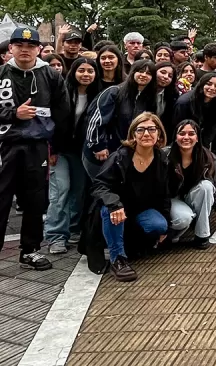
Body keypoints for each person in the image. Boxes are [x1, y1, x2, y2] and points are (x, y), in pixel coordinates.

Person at [0, 27, 71, 271]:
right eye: (19, 45)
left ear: (39, 49)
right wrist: (13, 113)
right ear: (11, 48)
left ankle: (30, 251)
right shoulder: (2, 74)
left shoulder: (50, 75)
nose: (25, 50)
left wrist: (55, 147)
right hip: (5, 146)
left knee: (35, 201)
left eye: (30, 46)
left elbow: (63, 113)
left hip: (37, 147)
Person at [93, 113, 171, 282]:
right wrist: (114, 203)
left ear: (159, 134)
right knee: (112, 211)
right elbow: (99, 185)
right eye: (140, 130)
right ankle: (118, 259)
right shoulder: (119, 157)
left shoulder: (161, 159)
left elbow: (164, 193)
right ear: (133, 135)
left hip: (140, 210)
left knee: (159, 225)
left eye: (151, 129)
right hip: (116, 208)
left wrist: (166, 224)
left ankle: (132, 243)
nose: (146, 134)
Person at [45, 57, 101, 254]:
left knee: (78, 191)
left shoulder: (98, 95)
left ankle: (73, 228)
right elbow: (50, 121)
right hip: (59, 150)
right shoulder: (62, 92)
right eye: (81, 70)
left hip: (82, 151)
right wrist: (50, 148)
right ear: (74, 72)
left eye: (90, 71)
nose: (86, 74)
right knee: (61, 191)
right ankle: (56, 235)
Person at [84, 60, 159, 179]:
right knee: (99, 188)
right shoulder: (114, 92)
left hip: (125, 154)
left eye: (148, 73)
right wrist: (98, 146)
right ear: (132, 72)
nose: (144, 75)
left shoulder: (148, 98)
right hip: (103, 152)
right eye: (140, 71)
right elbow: (96, 121)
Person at [168, 120, 216, 249]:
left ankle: (202, 236)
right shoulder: (165, 155)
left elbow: (215, 183)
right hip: (172, 199)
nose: (186, 137)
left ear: (197, 137)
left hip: (192, 196)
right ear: (175, 137)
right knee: (183, 218)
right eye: (182, 133)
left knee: (206, 186)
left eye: (191, 134)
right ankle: (170, 234)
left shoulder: (208, 157)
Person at [173, 72, 216, 151]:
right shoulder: (184, 103)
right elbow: (177, 127)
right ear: (201, 85)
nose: (212, 88)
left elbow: (212, 127)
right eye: (209, 84)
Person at [154, 62, 178, 137]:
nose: (166, 77)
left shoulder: (173, 95)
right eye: (163, 72)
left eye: (170, 76)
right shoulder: (143, 92)